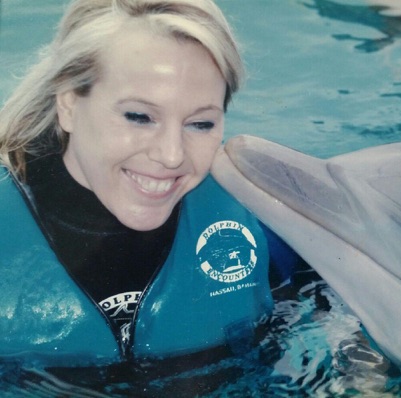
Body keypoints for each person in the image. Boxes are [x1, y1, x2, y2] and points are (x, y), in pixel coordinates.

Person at [0, 0, 294, 369]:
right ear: (69, 105)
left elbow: (321, 305)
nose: (172, 155)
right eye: (139, 117)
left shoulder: (252, 217)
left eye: (200, 123)